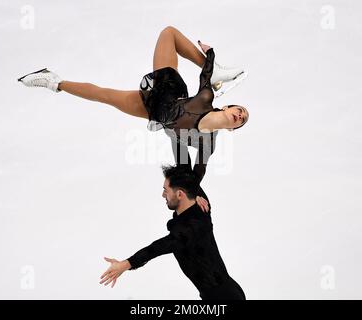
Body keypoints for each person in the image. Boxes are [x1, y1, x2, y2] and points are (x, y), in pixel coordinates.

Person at [18, 26, 249, 182]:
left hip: (154, 111)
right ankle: (55, 81)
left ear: (232, 129)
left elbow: (193, 170)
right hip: (168, 88)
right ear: (227, 107)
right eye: (240, 110)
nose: (240, 115)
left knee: (104, 95)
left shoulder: (208, 144)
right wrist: (210, 57)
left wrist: (190, 192)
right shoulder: (206, 99)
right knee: (168, 33)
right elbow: (205, 78)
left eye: (242, 120)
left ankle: (54, 81)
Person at [99, 164, 246, 300]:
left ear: (180, 194)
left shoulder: (190, 229)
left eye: (166, 190)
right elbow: (189, 172)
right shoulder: (200, 204)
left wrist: (125, 264)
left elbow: (156, 248)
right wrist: (176, 137)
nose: (163, 195)